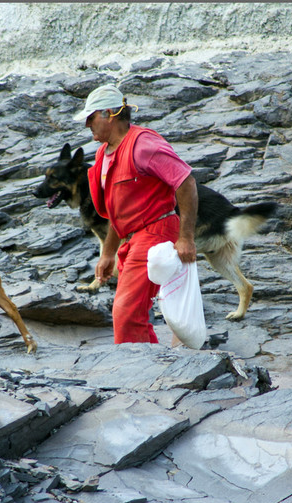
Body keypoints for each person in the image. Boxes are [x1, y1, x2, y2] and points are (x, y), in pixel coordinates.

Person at [72, 84, 198, 344]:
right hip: (131, 239)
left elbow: (186, 182)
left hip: (155, 232)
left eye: (90, 117)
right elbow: (118, 214)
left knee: (126, 312)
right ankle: (155, 367)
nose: (87, 125)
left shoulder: (143, 145)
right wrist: (108, 253)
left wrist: (186, 238)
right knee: (131, 311)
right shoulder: (102, 154)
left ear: (110, 114)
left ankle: (144, 375)